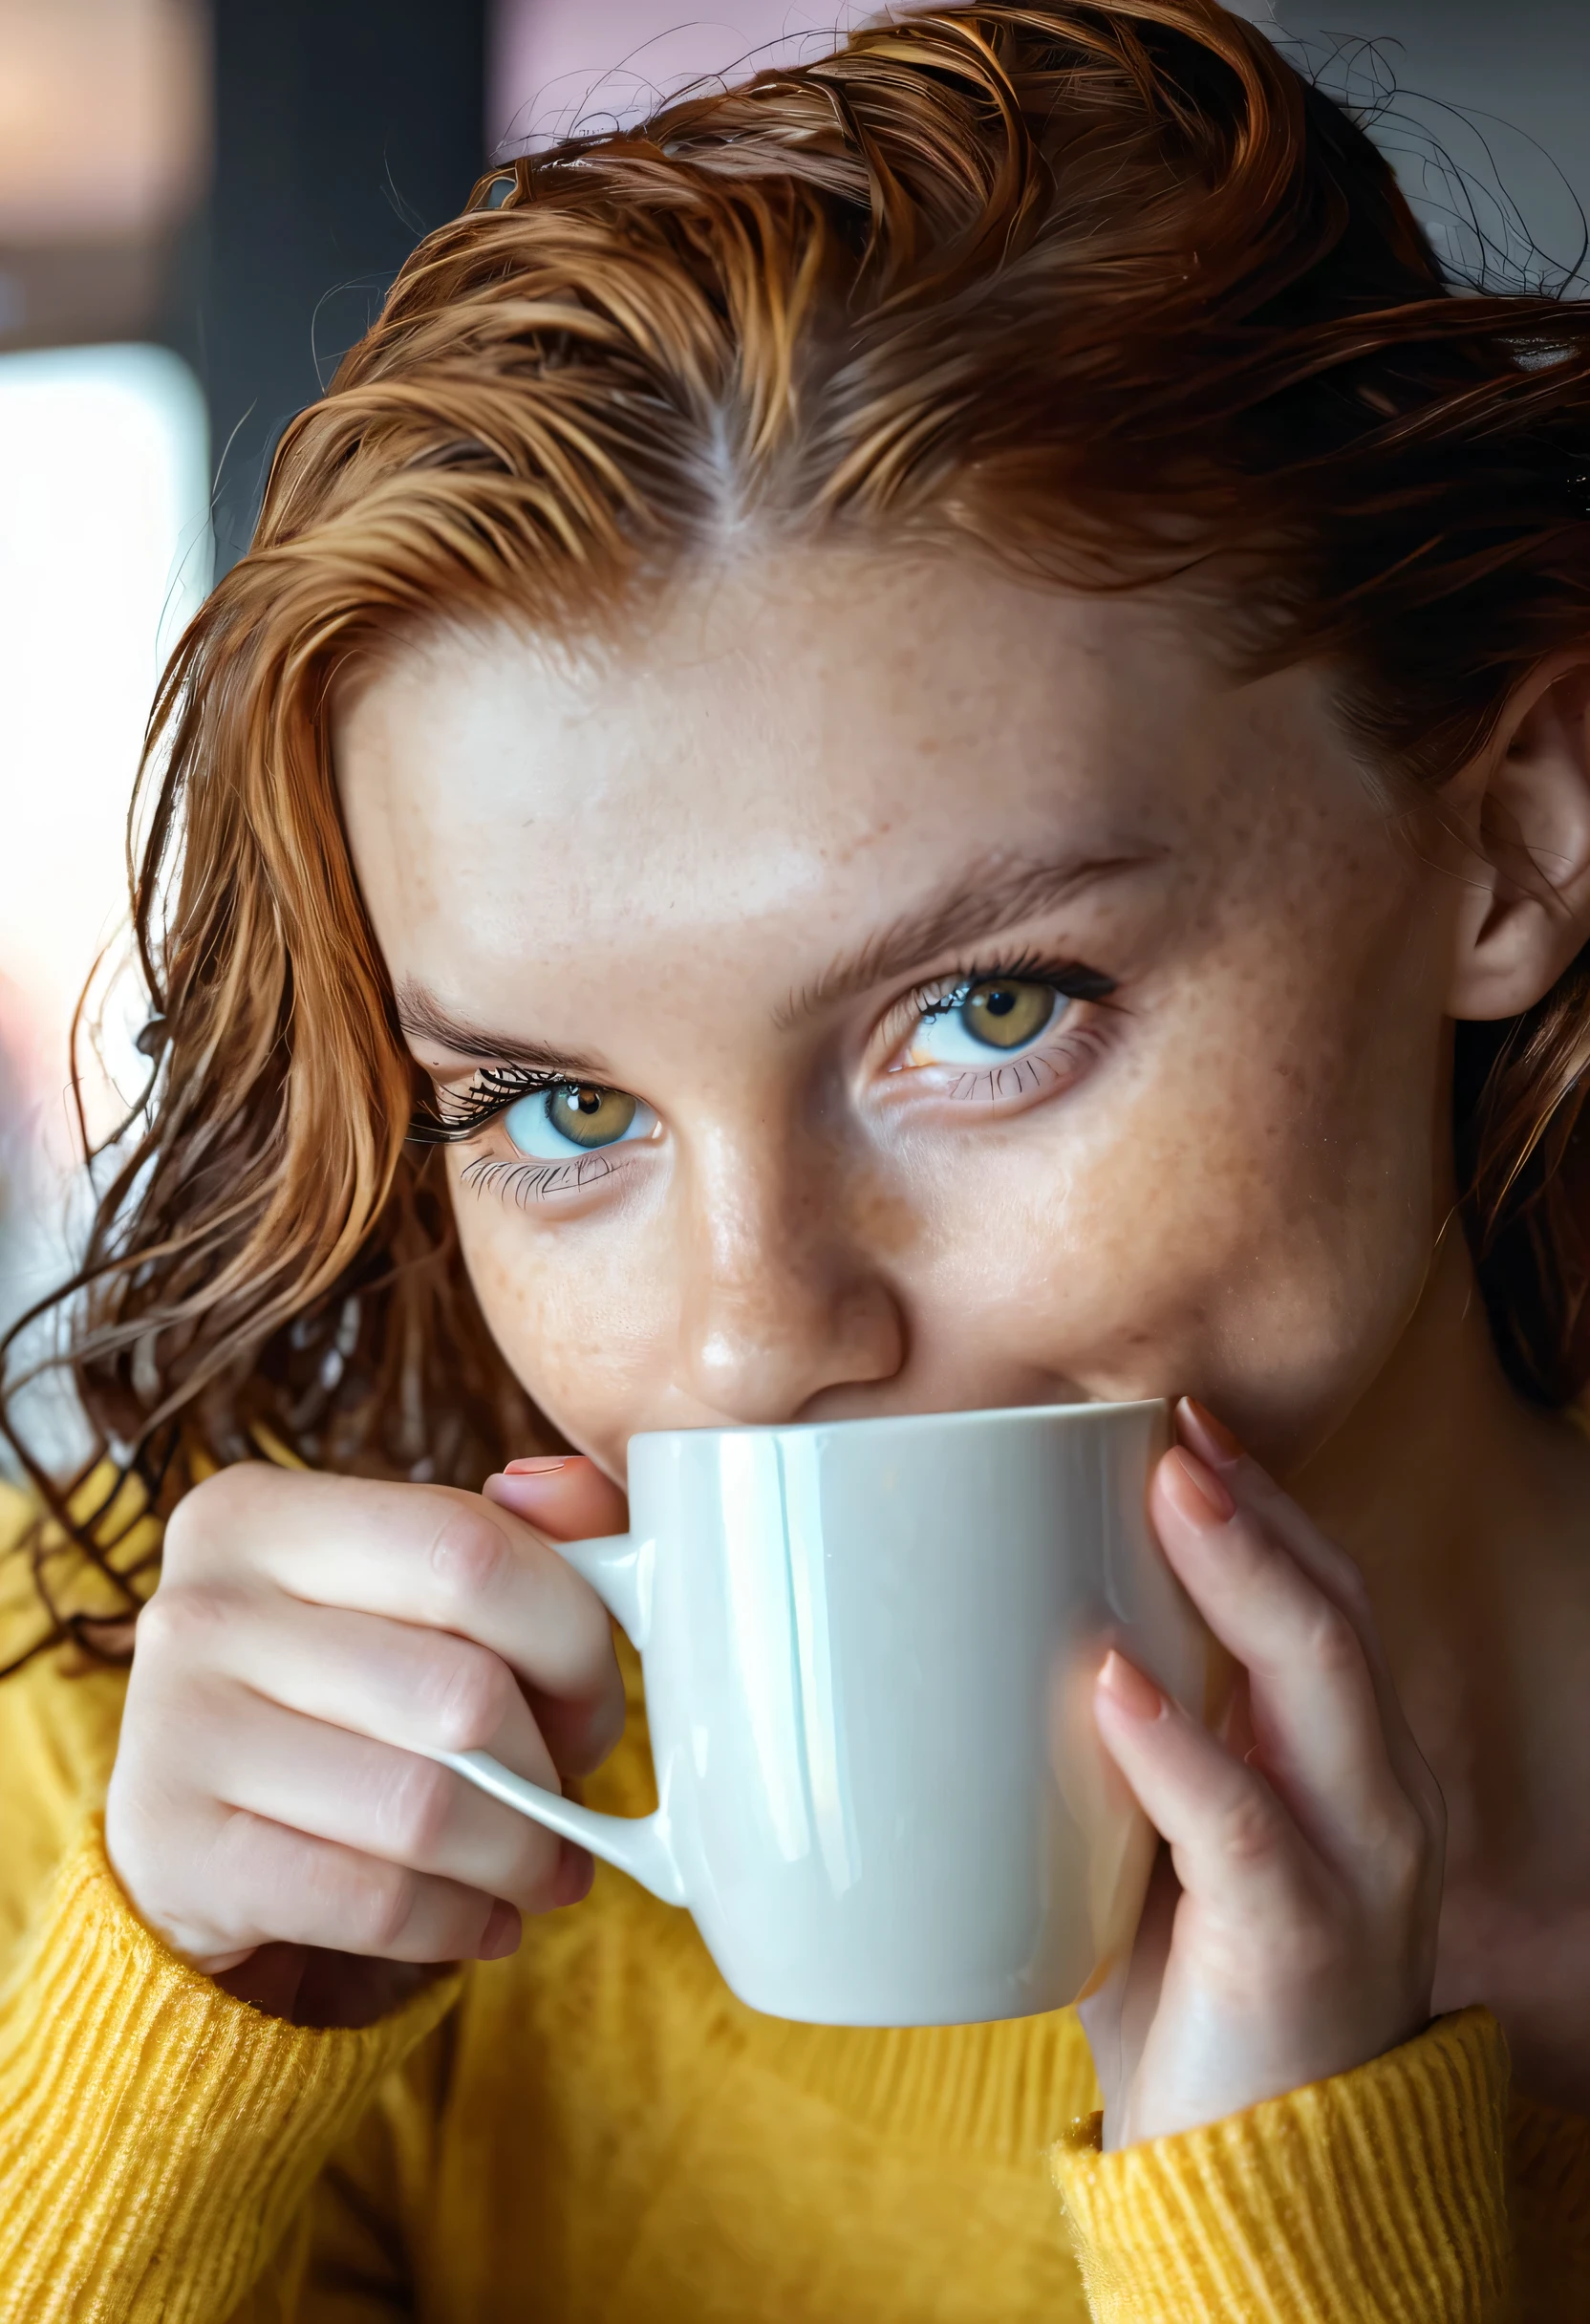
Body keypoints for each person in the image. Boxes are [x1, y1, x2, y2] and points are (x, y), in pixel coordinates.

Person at [2, 3, 1588, 2315]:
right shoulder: (140, 1769)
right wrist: (161, 2066)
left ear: (1513, 834)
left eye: (988, 1010)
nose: (746, 1345)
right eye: (559, 1110)